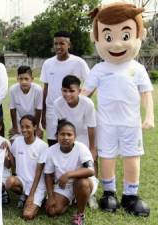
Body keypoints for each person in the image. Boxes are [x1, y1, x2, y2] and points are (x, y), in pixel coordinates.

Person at [84, 3, 154, 216]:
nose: (115, 44)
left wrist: (150, 115)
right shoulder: (99, 69)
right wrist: (68, 103)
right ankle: (109, 192)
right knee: (107, 156)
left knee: (132, 156)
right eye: (107, 37)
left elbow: (146, 93)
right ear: (97, 38)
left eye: (125, 36)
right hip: (106, 123)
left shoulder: (137, 68)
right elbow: (85, 93)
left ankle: (131, 195)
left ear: (138, 35)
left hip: (130, 123)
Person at [40, 31, 90, 146]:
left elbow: (90, 84)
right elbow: (46, 89)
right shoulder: (48, 63)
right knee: (53, 143)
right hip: (52, 111)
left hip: (72, 111)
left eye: (62, 43)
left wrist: (80, 100)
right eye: (55, 43)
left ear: (69, 44)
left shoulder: (78, 62)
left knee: (71, 142)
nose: (58, 46)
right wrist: (43, 113)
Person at [44, 119, 98, 225]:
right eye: (62, 134)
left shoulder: (81, 148)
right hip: (64, 186)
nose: (66, 138)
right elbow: (48, 175)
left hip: (83, 182)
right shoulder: (51, 151)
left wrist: (68, 174)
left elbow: (91, 171)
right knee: (52, 211)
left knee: (81, 183)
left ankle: (80, 214)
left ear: (75, 136)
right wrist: (50, 197)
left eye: (69, 134)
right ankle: (73, 200)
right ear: (57, 136)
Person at [5, 115, 48, 220]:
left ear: (34, 127)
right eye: (22, 127)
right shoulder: (18, 141)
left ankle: (38, 199)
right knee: (9, 181)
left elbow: (38, 174)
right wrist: (7, 148)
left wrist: (32, 195)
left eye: (28, 127)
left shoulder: (42, 146)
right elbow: (12, 163)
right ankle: (24, 195)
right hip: (22, 181)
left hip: (37, 185)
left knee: (27, 215)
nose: (24, 130)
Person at [9, 65, 43, 139]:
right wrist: (14, 127)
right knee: (13, 141)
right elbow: (12, 109)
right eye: (21, 79)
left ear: (32, 79)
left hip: (34, 120)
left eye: (26, 79)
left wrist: (37, 127)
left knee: (36, 140)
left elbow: (38, 109)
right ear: (17, 79)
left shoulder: (38, 90)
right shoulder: (13, 89)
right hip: (18, 120)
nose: (23, 82)